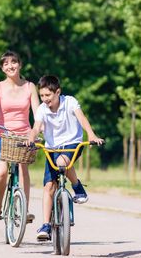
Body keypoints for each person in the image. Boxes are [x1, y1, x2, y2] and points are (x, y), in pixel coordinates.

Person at [27, 75, 103, 241]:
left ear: (58, 92)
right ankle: (46, 225)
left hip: (71, 144)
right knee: (48, 186)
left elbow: (82, 118)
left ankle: (77, 186)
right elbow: (36, 127)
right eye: (42, 96)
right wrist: (31, 139)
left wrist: (91, 135)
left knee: (62, 162)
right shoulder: (42, 109)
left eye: (48, 95)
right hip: (51, 148)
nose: (45, 99)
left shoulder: (70, 102)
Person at [0, 51, 40, 223]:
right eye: (5, 63)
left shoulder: (30, 86)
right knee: (1, 172)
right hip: (1, 136)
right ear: (2, 68)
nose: (10, 66)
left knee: (23, 169)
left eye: (14, 62)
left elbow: (37, 112)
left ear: (20, 64)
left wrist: (37, 128)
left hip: (24, 137)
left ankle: (25, 209)